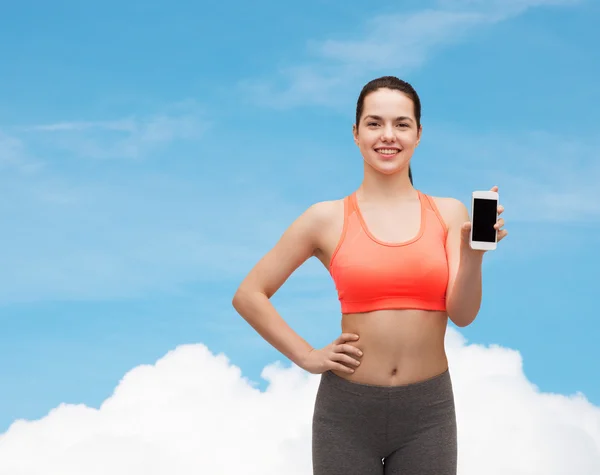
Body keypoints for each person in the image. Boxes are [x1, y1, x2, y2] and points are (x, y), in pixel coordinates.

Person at [231, 76, 508, 475]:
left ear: (418, 134)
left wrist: (473, 255)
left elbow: (463, 314)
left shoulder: (449, 214)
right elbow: (250, 294)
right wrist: (307, 355)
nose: (388, 136)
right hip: (346, 414)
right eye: (374, 123)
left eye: (402, 124)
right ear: (356, 133)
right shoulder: (324, 218)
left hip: (427, 413)